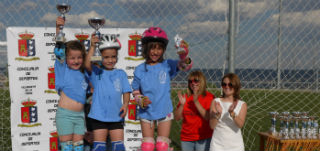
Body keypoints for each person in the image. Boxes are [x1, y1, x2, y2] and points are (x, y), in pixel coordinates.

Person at [131, 27, 193, 151]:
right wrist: (140, 99)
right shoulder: (140, 69)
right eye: (152, 48)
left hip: (164, 110)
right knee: (147, 146)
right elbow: (135, 90)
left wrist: (184, 56)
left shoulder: (167, 65)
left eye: (159, 48)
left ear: (163, 49)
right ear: (146, 48)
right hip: (146, 111)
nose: (156, 52)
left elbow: (185, 66)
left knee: (162, 146)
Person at [84, 33, 131, 151]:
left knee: (119, 147)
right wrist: (93, 46)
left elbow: (126, 91)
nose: (110, 60)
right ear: (100, 57)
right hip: (99, 116)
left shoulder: (121, 74)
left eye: (113, 56)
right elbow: (86, 64)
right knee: (99, 148)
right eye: (106, 57)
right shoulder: (96, 72)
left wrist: (125, 104)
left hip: (116, 115)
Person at [54, 17, 88, 151]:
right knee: (67, 148)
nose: (76, 61)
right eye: (72, 58)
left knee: (79, 148)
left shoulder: (85, 73)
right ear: (66, 59)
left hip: (80, 116)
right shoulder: (63, 69)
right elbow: (59, 51)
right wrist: (58, 29)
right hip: (65, 115)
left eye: (79, 57)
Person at [174, 71, 214, 151]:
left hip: (203, 138)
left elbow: (207, 117)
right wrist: (182, 105)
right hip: (186, 138)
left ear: (202, 82)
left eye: (196, 80)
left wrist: (196, 101)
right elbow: (177, 117)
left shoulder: (209, 97)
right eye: (190, 81)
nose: (193, 83)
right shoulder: (185, 97)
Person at [209, 73, 247, 151]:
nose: (227, 87)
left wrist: (232, 113)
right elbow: (212, 126)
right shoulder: (216, 102)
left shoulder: (242, 104)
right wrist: (218, 114)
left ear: (236, 86)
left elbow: (240, 125)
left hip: (236, 146)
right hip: (217, 145)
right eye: (224, 84)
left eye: (230, 84)